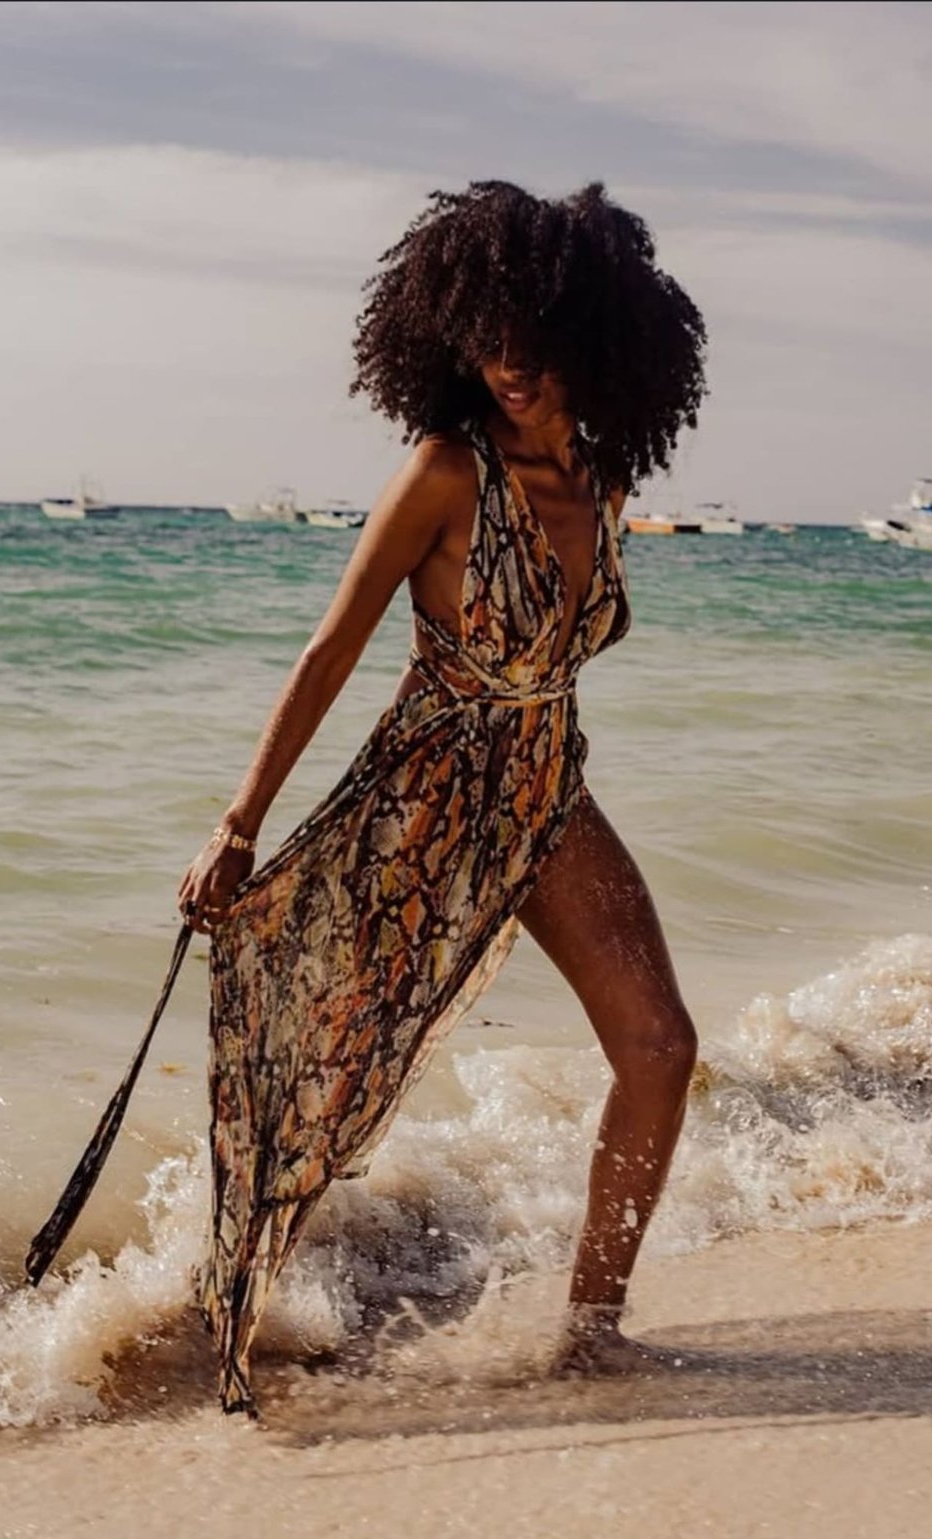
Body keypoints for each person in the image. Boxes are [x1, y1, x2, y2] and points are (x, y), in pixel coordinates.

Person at [177, 180, 707, 1415]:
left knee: (662, 1047)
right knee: (325, 1062)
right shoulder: (444, 469)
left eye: (533, 335)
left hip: (544, 788)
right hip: (420, 801)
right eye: (486, 334)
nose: (508, 363)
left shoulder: (606, 468)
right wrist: (237, 824)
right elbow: (330, 651)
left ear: (595, 330)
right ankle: (219, 1320)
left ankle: (593, 1330)